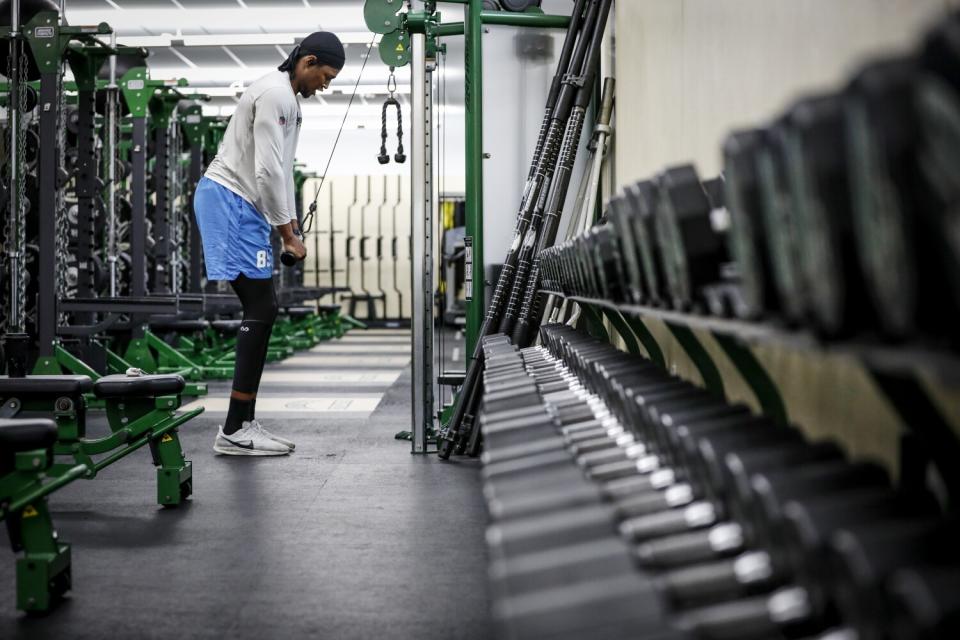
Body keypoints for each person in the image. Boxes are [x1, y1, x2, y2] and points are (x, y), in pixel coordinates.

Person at [193, 31, 344, 456]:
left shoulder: (288, 100)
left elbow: (277, 173)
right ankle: (235, 429)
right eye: (325, 76)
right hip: (229, 201)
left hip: (243, 207)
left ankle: (242, 424)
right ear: (307, 61)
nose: (325, 85)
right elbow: (268, 172)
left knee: (264, 307)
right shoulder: (275, 95)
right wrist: (288, 235)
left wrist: (290, 223)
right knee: (261, 306)